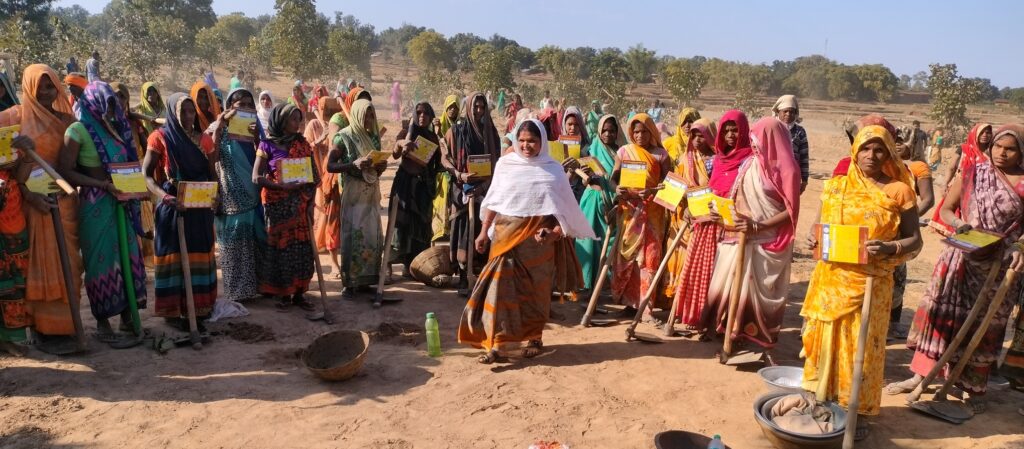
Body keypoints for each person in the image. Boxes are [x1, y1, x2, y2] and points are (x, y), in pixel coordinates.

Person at [885, 124, 1024, 414]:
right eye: (998, 146)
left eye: (1010, 149)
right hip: (961, 257)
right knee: (942, 316)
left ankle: (971, 387)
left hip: (999, 267)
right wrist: (961, 225)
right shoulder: (973, 173)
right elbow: (947, 209)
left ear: (1021, 152)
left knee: (984, 325)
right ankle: (921, 376)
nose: (1001, 153)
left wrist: (1017, 247)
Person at [801, 125, 921, 440]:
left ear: (889, 153)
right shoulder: (837, 186)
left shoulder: (900, 190)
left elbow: (914, 240)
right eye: (865, 148)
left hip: (872, 284)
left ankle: (857, 411)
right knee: (828, 343)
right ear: (855, 151)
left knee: (863, 349)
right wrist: (814, 235)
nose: (871, 155)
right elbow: (820, 223)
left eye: (879, 149)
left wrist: (890, 247)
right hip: (832, 282)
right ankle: (822, 399)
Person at [458, 118, 593, 363]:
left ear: (542, 141)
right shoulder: (505, 165)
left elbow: (562, 211)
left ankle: (534, 337)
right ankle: (497, 343)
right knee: (500, 289)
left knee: (535, 293)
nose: (526, 145)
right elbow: (494, 201)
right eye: (521, 140)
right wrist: (483, 231)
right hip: (505, 238)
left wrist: (552, 233)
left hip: (537, 245)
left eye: (532, 141)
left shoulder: (553, 170)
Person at [0, 64, 83, 353]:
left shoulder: (68, 121)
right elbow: (7, 169)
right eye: (40, 87)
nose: (46, 92)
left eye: (50, 86)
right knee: (36, 267)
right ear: (28, 88)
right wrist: (29, 193)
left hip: (64, 202)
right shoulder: (12, 119)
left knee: (69, 267)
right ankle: (40, 329)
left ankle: (68, 327)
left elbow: (73, 164)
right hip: (32, 204)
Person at [702, 117, 799, 360]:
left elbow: (791, 211)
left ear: (772, 139)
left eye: (758, 139)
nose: (754, 144)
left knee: (760, 294)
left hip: (767, 240)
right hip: (741, 234)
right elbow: (735, 196)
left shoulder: (787, 169)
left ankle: (761, 344)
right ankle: (732, 338)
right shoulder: (749, 164)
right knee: (736, 288)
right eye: (753, 139)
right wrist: (721, 214)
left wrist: (758, 225)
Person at [58, 81, 147, 341]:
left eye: (113, 103)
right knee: (101, 262)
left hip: (121, 200)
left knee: (129, 256)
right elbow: (65, 171)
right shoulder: (77, 130)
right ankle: (102, 322)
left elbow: (128, 163)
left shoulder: (116, 128)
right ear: (93, 102)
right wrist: (101, 185)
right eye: (107, 103)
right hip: (95, 203)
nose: (112, 107)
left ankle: (128, 318)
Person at [143, 92, 218, 326]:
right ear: (173, 113)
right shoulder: (160, 138)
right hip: (172, 206)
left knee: (200, 254)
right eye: (182, 112)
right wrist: (164, 197)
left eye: (190, 111)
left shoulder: (204, 140)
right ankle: (173, 311)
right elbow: (146, 175)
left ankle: (200, 308)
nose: (187, 116)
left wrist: (216, 198)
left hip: (199, 207)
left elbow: (212, 175)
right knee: (173, 256)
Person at [674, 112, 753, 331]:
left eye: (735, 130)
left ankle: (725, 325)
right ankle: (702, 318)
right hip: (708, 224)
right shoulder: (718, 161)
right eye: (726, 131)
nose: (730, 135)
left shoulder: (750, 162)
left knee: (729, 278)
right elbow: (708, 190)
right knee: (706, 273)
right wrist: (691, 207)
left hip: (735, 227)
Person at [252, 103, 317, 310]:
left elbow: (313, 177)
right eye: (293, 119)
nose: (297, 124)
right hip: (276, 206)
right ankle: (282, 294)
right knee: (280, 250)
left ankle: (299, 293)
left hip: (299, 205)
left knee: (302, 250)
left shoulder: (303, 144)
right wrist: (278, 185)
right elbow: (256, 177)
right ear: (281, 120)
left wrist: (310, 204)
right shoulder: (266, 145)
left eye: (299, 119)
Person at [610, 113, 671, 314]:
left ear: (652, 131)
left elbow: (669, 185)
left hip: (653, 214)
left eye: (644, 131)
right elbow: (614, 179)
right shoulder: (624, 152)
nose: (639, 135)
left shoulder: (661, 155)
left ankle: (646, 306)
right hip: (629, 214)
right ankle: (629, 303)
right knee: (628, 256)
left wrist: (654, 191)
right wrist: (617, 189)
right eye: (635, 131)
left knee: (649, 258)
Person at [326, 99, 387, 300]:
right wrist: (353, 164)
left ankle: (366, 280)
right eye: (367, 115)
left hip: (370, 195)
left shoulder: (373, 138)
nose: (370, 119)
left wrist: (380, 166)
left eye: (372, 115)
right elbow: (330, 165)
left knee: (371, 237)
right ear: (358, 115)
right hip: (353, 195)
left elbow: (378, 167)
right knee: (353, 237)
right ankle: (350, 283)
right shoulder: (343, 137)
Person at [442, 92, 501, 295]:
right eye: (475, 107)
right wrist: (459, 174)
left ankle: (480, 275)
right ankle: (462, 275)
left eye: (482, 107)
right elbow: (444, 158)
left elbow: (497, 163)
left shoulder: (491, 134)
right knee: (463, 228)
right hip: (462, 187)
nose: (478, 111)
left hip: (486, 188)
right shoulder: (456, 131)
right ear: (468, 108)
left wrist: (485, 184)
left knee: (483, 228)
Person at [210, 88, 265, 303]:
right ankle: (238, 291)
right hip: (230, 194)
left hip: (252, 194)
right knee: (234, 240)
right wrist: (220, 126)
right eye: (239, 104)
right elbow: (211, 157)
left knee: (255, 238)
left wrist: (257, 137)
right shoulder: (218, 129)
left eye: (249, 105)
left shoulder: (254, 128)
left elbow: (264, 156)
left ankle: (259, 285)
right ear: (229, 107)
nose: (245, 108)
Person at [886, 128, 935, 339]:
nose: (897, 145)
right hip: (883, 223)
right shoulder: (885, 163)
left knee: (897, 272)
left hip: (902, 226)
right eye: (894, 141)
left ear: (913, 143)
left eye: (903, 141)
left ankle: (894, 322)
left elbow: (927, 199)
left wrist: (909, 219)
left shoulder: (917, 167)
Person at [663, 117, 716, 307]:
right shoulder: (686, 159)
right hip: (685, 218)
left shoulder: (718, 161)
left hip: (710, 218)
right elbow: (677, 186)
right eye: (694, 136)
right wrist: (682, 205)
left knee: (704, 264)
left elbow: (718, 188)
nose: (697, 140)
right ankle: (680, 305)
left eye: (702, 135)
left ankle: (699, 306)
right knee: (683, 259)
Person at [389, 102, 441, 276]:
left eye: (426, 114)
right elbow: (395, 154)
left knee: (420, 225)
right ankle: (389, 265)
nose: (422, 116)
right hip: (404, 184)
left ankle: (414, 265)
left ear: (431, 117)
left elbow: (438, 164)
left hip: (422, 187)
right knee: (399, 223)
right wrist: (402, 143)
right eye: (418, 113)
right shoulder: (406, 133)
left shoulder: (433, 138)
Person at [110, 82, 156, 267]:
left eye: (122, 96)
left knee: (142, 223)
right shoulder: (102, 124)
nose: (119, 100)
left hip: (133, 174)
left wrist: (141, 174)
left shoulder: (134, 123)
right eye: (114, 96)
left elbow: (147, 148)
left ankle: (139, 264)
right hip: (112, 179)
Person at [576, 114, 624, 290]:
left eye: (611, 131)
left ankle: (604, 284)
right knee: (589, 241)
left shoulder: (622, 152)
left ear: (617, 132)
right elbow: (583, 180)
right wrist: (586, 176)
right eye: (604, 130)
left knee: (610, 243)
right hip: (592, 200)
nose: (607, 134)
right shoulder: (590, 150)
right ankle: (586, 283)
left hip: (613, 203)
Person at [305, 96, 343, 277]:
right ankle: (326, 249)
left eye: (331, 109)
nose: (328, 112)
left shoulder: (338, 124)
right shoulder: (314, 124)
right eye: (325, 109)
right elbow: (305, 147)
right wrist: (320, 139)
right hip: (319, 173)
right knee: (325, 214)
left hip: (335, 176)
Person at [0, 133, 31, 356]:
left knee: (12, 285)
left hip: (11, 217)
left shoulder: (8, 125)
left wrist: (26, 153)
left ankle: (8, 338)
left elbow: (19, 175)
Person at [432, 95, 459, 242]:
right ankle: (440, 230)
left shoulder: (461, 125)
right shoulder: (438, 124)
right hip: (442, 169)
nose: (452, 110)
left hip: (456, 168)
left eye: (455, 107)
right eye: (450, 107)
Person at [940, 123, 992, 198]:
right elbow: (952, 168)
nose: (985, 135)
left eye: (988, 133)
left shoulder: (992, 152)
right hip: (961, 188)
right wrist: (945, 184)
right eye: (981, 132)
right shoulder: (964, 149)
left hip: (984, 192)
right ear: (975, 133)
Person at [773, 95, 810, 193]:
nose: (788, 114)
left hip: (792, 175)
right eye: (785, 111)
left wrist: (805, 180)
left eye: (792, 111)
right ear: (778, 112)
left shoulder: (800, 131)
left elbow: (804, 156)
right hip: (772, 174)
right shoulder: (772, 128)